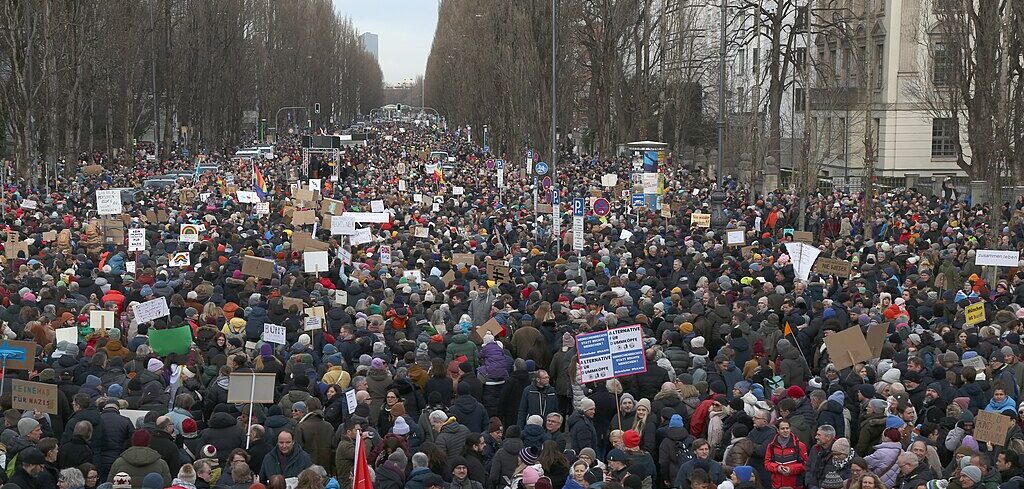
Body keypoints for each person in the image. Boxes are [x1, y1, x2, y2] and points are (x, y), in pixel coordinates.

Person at [107, 430, 171, 488]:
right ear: (149, 442)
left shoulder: (119, 462)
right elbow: (167, 484)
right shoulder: (161, 464)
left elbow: (110, 484)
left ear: (132, 441)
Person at [764, 419, 808, 489]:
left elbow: (805, 465)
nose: (785, 430)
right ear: (778, 430)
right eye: (782, 428)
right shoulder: (771, 446)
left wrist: (790, 469)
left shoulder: (800, 445)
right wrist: (777, 468)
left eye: (787, 428)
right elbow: (767, 463)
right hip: (776, 485)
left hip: (794, 485)